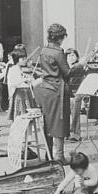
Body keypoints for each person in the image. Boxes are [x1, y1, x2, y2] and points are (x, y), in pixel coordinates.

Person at [33, 23, 86, 164]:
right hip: (57, 90)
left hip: (45, 89)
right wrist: (80, 65)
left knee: (47, 123)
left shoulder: (44, 50)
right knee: (59, 122)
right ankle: (59, 156)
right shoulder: (58, 52)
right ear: (60, 37)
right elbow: (68, 72)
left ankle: (48, 155)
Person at [7, 44, 36, 121]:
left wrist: (41, 79)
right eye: (22, 59)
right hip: (19, 95)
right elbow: (12, 83)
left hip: (28, 93)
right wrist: (24, 80)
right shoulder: (13, 69)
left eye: (25, 58)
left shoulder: (26, 69)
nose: (25, 60)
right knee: (20, 117)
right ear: (17, 59)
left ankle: (29, 132)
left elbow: (33, 83)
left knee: (29, 118)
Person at [65, 48, 84, 142]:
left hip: (76, 92)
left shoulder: (78, 66)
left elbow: (70, 73)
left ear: (76, 57)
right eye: (69, 55)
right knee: (65, 114)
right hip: (66, 93)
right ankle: (66, 132)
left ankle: (75, 134)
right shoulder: (65, 67)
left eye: (73, 55)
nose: (71, 57)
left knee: (75, 114)